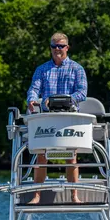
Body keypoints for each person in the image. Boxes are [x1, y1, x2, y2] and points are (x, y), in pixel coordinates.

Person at [26, 32, 88, 204]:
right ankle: (36, 196)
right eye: (54, 46)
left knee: (71, 156)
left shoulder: (77, 69)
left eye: (61, 46)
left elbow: (82, 92)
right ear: (50, 48)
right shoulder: (42, 69)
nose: (57, 50)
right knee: (41, 155)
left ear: (67, 47)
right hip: (46, 118)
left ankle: (74, 196)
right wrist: (31, 99)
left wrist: (66, 100)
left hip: (69, 118)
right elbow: (33, 89)